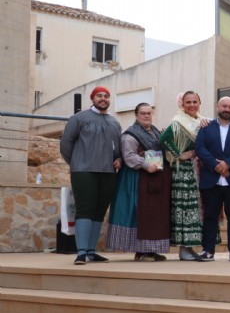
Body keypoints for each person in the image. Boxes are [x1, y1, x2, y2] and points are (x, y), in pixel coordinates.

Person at [60, 86, 122, 265]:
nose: (103, 99)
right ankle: (81, 252)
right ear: (93, 98)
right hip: (83, 172)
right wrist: (76, 162)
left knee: (99, 212)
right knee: (85, 210)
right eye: (99, 96)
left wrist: (118, 159)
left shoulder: (114, 122)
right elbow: (66, 143)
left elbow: (117, 149)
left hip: (108, 173)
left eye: (106, 96)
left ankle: (91, 251)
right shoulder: (79, 118)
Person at [106, 103, 171, 261]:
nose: (147, 116)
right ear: (136, 115)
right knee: (139, 213)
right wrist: (146, 165)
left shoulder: (155, 131)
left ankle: (151, 250)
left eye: (149, 113)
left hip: (154, 178)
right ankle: (141, 251)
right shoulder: (130, 135)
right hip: (137, 179)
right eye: (143, 113)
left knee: (154, 215)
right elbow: (129, 156)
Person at [196, 96, 230, 262]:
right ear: (217, 107)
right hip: (211, 179)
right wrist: (216, 165)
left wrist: (227, 164)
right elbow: (200, 148)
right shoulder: (206, 127)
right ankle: (208, 250)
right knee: (210, 216)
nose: (227, 109)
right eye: (224, 106)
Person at [159, 91, 205, 261]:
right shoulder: (178, 121)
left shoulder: (201, 121)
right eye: (188, 102)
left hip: (197, 169)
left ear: (200, 103)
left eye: (195, 101)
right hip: (183, 170)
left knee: (196, 208)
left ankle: (190, 248)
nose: (192, 105)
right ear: (182, 104)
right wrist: (179, 154)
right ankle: (184, 249)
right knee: (186, 208)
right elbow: (163, 139)